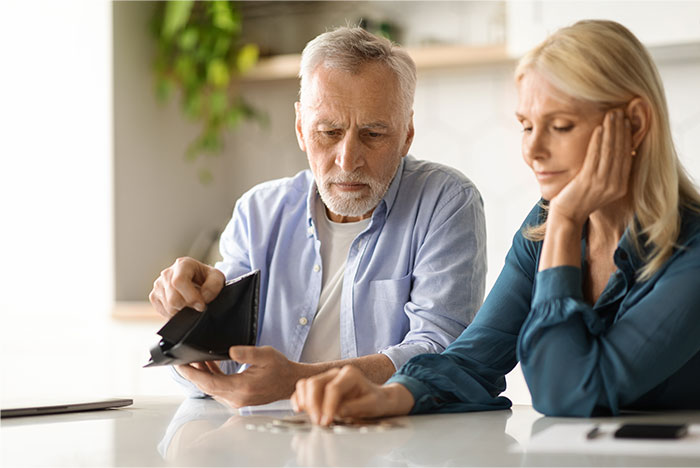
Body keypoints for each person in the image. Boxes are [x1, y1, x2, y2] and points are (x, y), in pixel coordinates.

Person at [292, 19, 700, 423]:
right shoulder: (547, 223)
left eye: (560, 126)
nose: (533, 150)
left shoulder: (686, 249)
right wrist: (388, 396)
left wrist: (564, 221)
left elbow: (567, 391)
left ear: (634, 124)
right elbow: (473, 359)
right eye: (526, 126)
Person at [148, 27, 487, 407]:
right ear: (300, 129)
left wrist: (297, 381)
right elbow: (218, 372)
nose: (347, 160)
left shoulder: (446, 202)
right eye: (328, 132)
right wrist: (189, 321)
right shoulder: (258, 213)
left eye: (374, 134)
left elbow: (440, 354)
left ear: (407, 133)